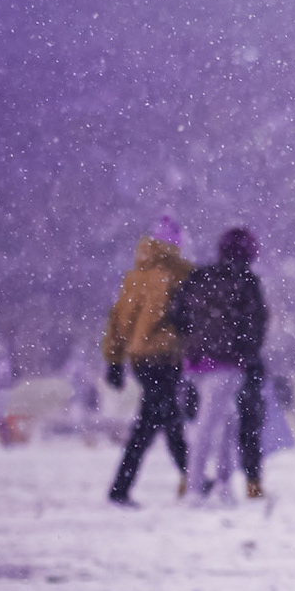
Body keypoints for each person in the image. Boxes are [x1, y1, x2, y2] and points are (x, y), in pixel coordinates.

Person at [170, 227, 268, 501]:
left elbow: (177, 313)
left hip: (197, 361)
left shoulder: (200, 277)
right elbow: (256, 322)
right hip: (228, 362)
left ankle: (217, 484)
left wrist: (191, 343)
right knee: (214, 425)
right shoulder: (246, 281)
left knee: (219, 422)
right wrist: (245, 352)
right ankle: (198, 486)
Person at [102, 215, 194, 505]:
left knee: (161, 423)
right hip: (165, 359)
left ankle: (191, 479)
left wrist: (114, 360)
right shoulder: (179, 275)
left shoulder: (136, 276)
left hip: (141, 360)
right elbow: (188, 321)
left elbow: (119, 320)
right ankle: (193, 480)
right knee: (159, 425)